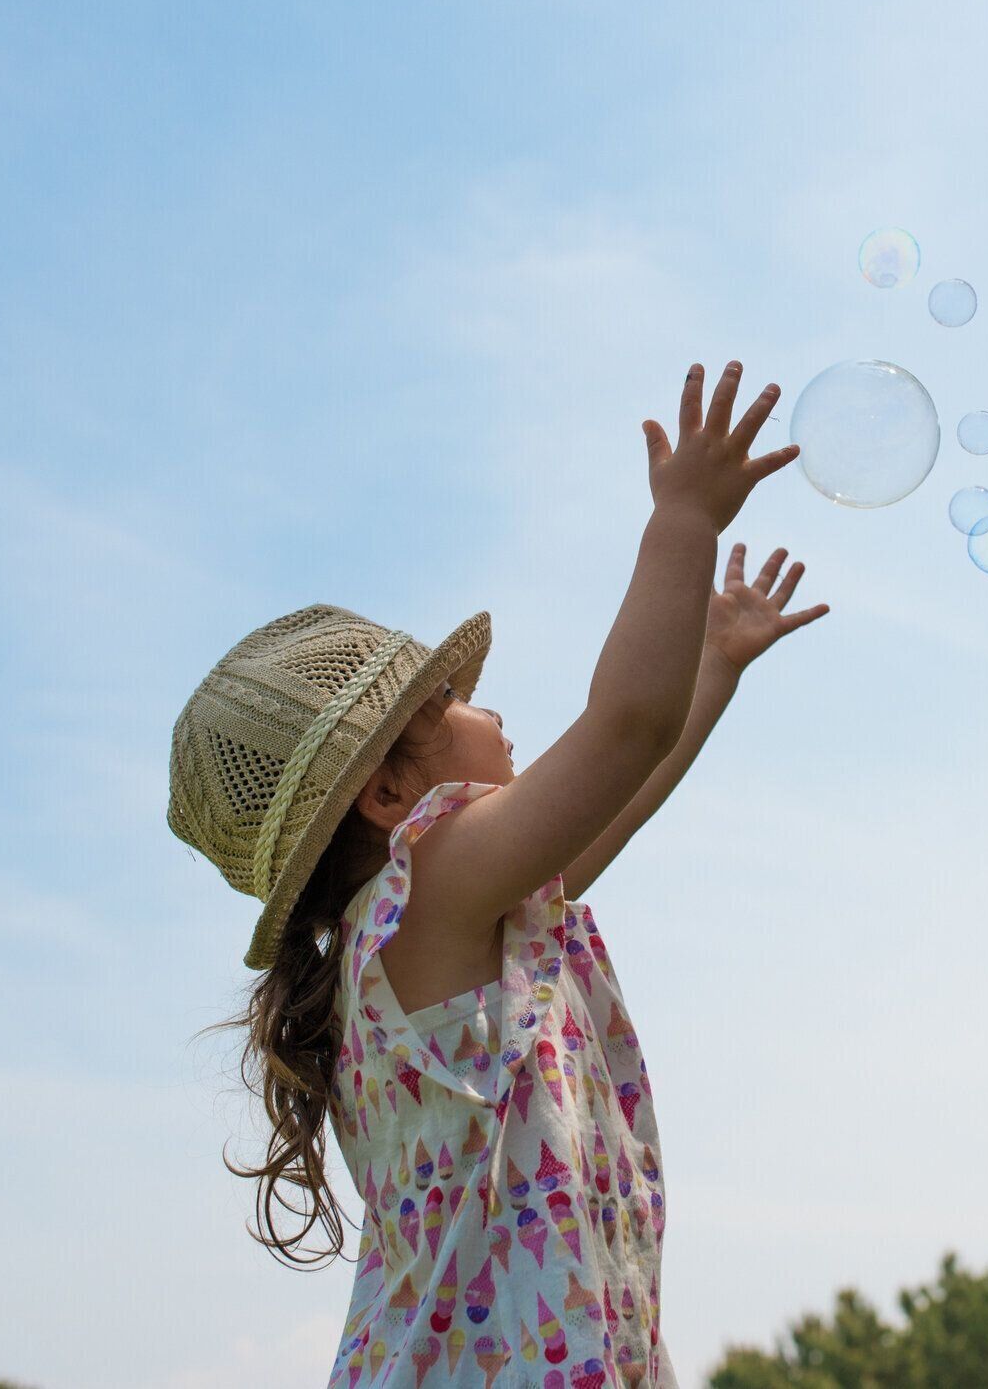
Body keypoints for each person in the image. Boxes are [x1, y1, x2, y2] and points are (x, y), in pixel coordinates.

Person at [167, 361, 829, 1385]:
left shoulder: (454, 925)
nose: (495, 711)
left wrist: (711, 667)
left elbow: (620, 782)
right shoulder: (429, 892)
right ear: (390, 796)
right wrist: (682, 520)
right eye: (455, 701)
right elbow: (618, 731)